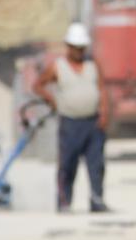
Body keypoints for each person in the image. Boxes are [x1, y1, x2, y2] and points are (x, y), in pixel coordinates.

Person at [34, 22, 110, 213]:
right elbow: (39, 85)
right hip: (70, 123)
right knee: (67, 165)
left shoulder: (93, 65)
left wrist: (103, 112)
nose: (79, 51)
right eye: (76, 47)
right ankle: (64, 202)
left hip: (92, 123)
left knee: (96, 164)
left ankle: (97, 200)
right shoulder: (57, 67)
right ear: (68, 47)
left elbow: (101, 89)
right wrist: (51, 100)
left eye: (82, 48)